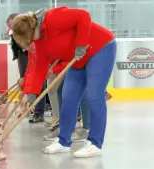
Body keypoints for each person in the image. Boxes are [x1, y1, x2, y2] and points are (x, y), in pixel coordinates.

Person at [12, 6, 116, 158]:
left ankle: (95, 142)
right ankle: (63, 141)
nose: (30, 43)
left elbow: (83, 15)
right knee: (68, 98)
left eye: (28, 40)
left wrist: (81, 44)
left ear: (30, 30)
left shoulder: (53, 17)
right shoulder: (39, 39)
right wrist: (30, 95)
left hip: (99, 48)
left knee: (94, 95)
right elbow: (39, 67)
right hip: (77, 59)